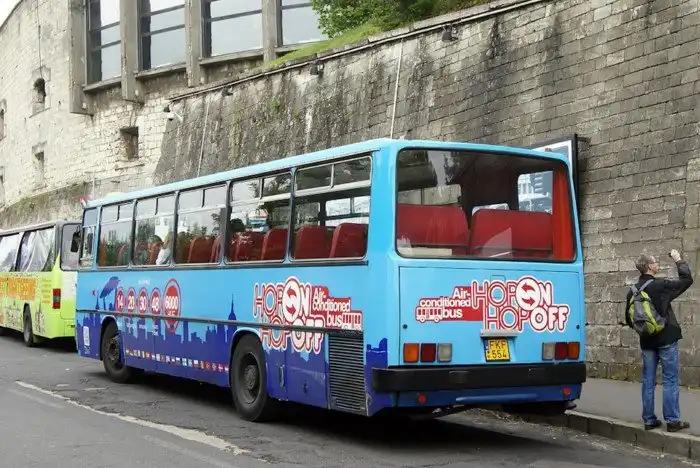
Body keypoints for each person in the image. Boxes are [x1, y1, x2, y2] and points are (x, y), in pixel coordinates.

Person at [625, 249, 694, 432]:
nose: (657, 264)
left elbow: (629, 320)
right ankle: (672, 421)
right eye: (655, 262)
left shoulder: (632, 291)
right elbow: (687, 280)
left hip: (647, 342)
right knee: (670, 379)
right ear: (649, 266)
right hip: (666, 339)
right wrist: (678, 260)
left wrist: (647, 330)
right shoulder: (660, 286)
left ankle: (649, 420)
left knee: (648, 380)